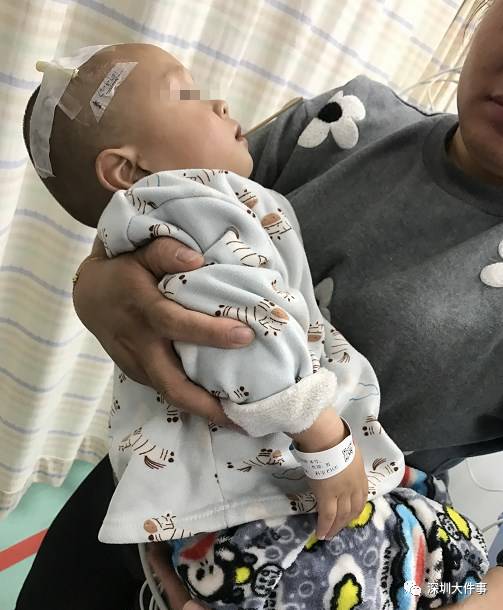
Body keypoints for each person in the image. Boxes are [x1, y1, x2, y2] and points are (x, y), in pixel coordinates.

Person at [16, 0, 503, 607]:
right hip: (192, 493)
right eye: (189, 95)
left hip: (322, 534)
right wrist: (97, 286)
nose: (222, 106)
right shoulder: (341, 123)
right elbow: (236, 316)